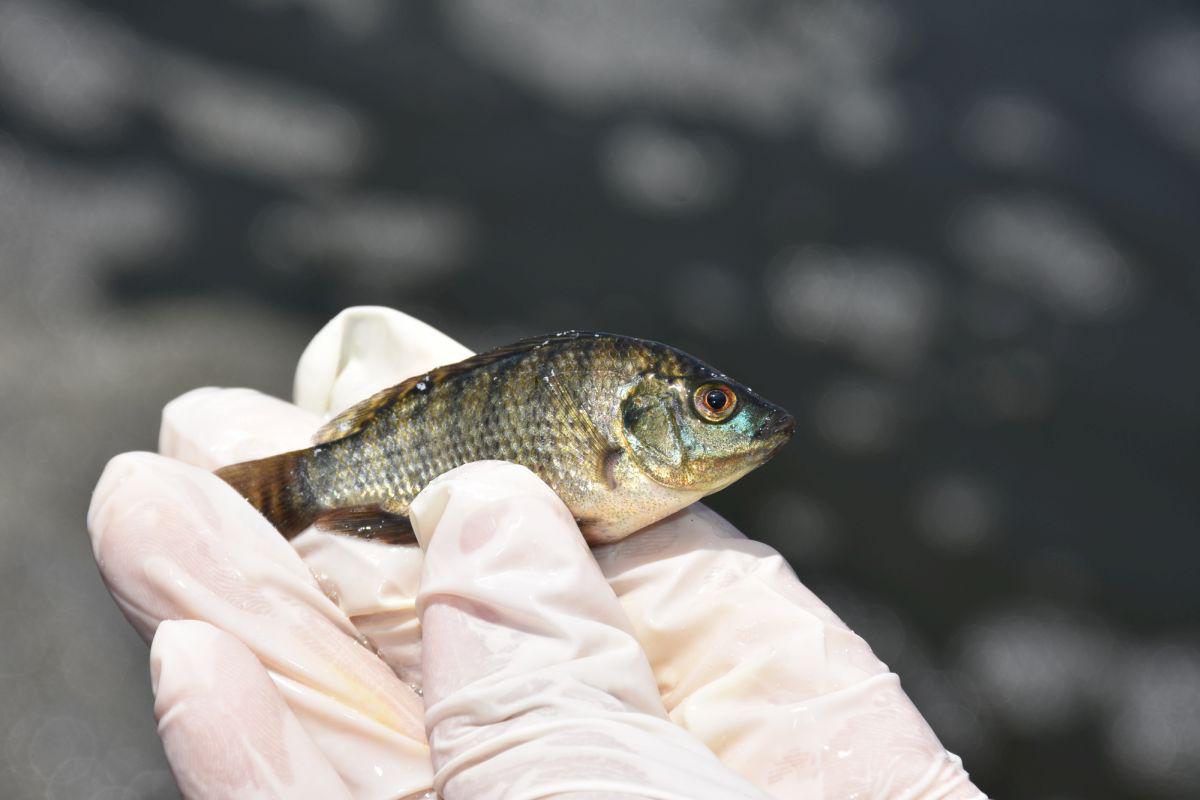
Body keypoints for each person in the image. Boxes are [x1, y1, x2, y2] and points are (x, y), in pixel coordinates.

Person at [86, 307, 986, 799]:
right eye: (714, 406)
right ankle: (286, 489)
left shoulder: (634, 461)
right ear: (641, 418)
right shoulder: (618, 455)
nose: (745, 422)